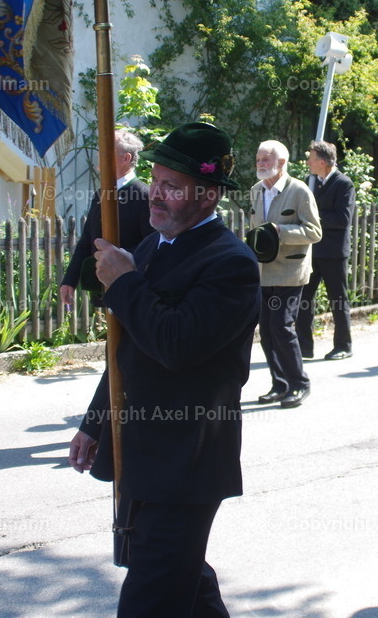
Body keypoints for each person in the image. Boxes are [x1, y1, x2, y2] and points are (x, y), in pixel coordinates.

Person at [67, 122, 261, 617]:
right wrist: (96, 422)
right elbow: (126, 350)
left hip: (186, 460)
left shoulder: (230, 263)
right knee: (184, 581)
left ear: (208, 195)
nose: (155, 196)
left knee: (150, 597)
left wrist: (126, 284)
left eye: (172, 187)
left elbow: (176, 346)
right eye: (155, 181)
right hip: (140, 454)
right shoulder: (152, 247)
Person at [249, 140, 322, 409]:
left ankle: (299, 383)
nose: (260, 163)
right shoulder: (256, 190)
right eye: (258, 158)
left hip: (291, 272)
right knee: (267, 331)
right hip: (263, 271)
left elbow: (315, 232)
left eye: (265, 159)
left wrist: (282, 231)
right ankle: (279, 384)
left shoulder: (300, 191)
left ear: (281, 163)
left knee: (282, 326)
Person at [59, 127, 153, 308]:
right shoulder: (101, 193)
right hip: (104, 288)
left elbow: (152, 245)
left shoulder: (144, 196)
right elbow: (87, 240)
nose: (99, 157)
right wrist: (70, 280)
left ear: (126, 158)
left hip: (131, 290)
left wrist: (120, 259)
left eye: (106, 152)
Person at [297, 140, 356, 361]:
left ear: (322, 162)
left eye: (311, 159)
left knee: (338, 299)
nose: (308, 163)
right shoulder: (310, 182)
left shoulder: (343, 184)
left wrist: (313, 216)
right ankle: (304, 347)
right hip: (312, 250)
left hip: (333, 251)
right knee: (304, 297)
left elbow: (343, 219)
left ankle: (343, 345)